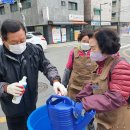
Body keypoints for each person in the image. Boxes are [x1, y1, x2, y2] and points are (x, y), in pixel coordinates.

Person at [0, 19, 67, 130]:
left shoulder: (34, 50)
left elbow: (47, 66)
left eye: (22, 40)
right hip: (12, 110)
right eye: (14, 42)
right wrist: (5, 88)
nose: (19, 44)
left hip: (31, 105)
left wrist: (56, 81)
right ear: (4, 40)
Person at [73, 28, 130, 130]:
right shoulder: (101, 64)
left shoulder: (120, 66)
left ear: (105, 47)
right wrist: (79, 98)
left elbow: (116, 98)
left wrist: (85, 103)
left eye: (93, 48)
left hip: (118, 122)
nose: (90, 52)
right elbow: (96, 85)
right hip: (104, 118)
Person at [62, 30, 97, 100]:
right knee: (73, 106)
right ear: (80, 41)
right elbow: (68, 69)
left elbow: (99, 72)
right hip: (74, 87)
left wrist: (98, 89)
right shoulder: (73, 52)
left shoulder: (95, 52)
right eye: (84, 41)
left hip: (90, 89)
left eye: (88, 42)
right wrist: (63, 85)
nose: (86, 44)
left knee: (88, 107)